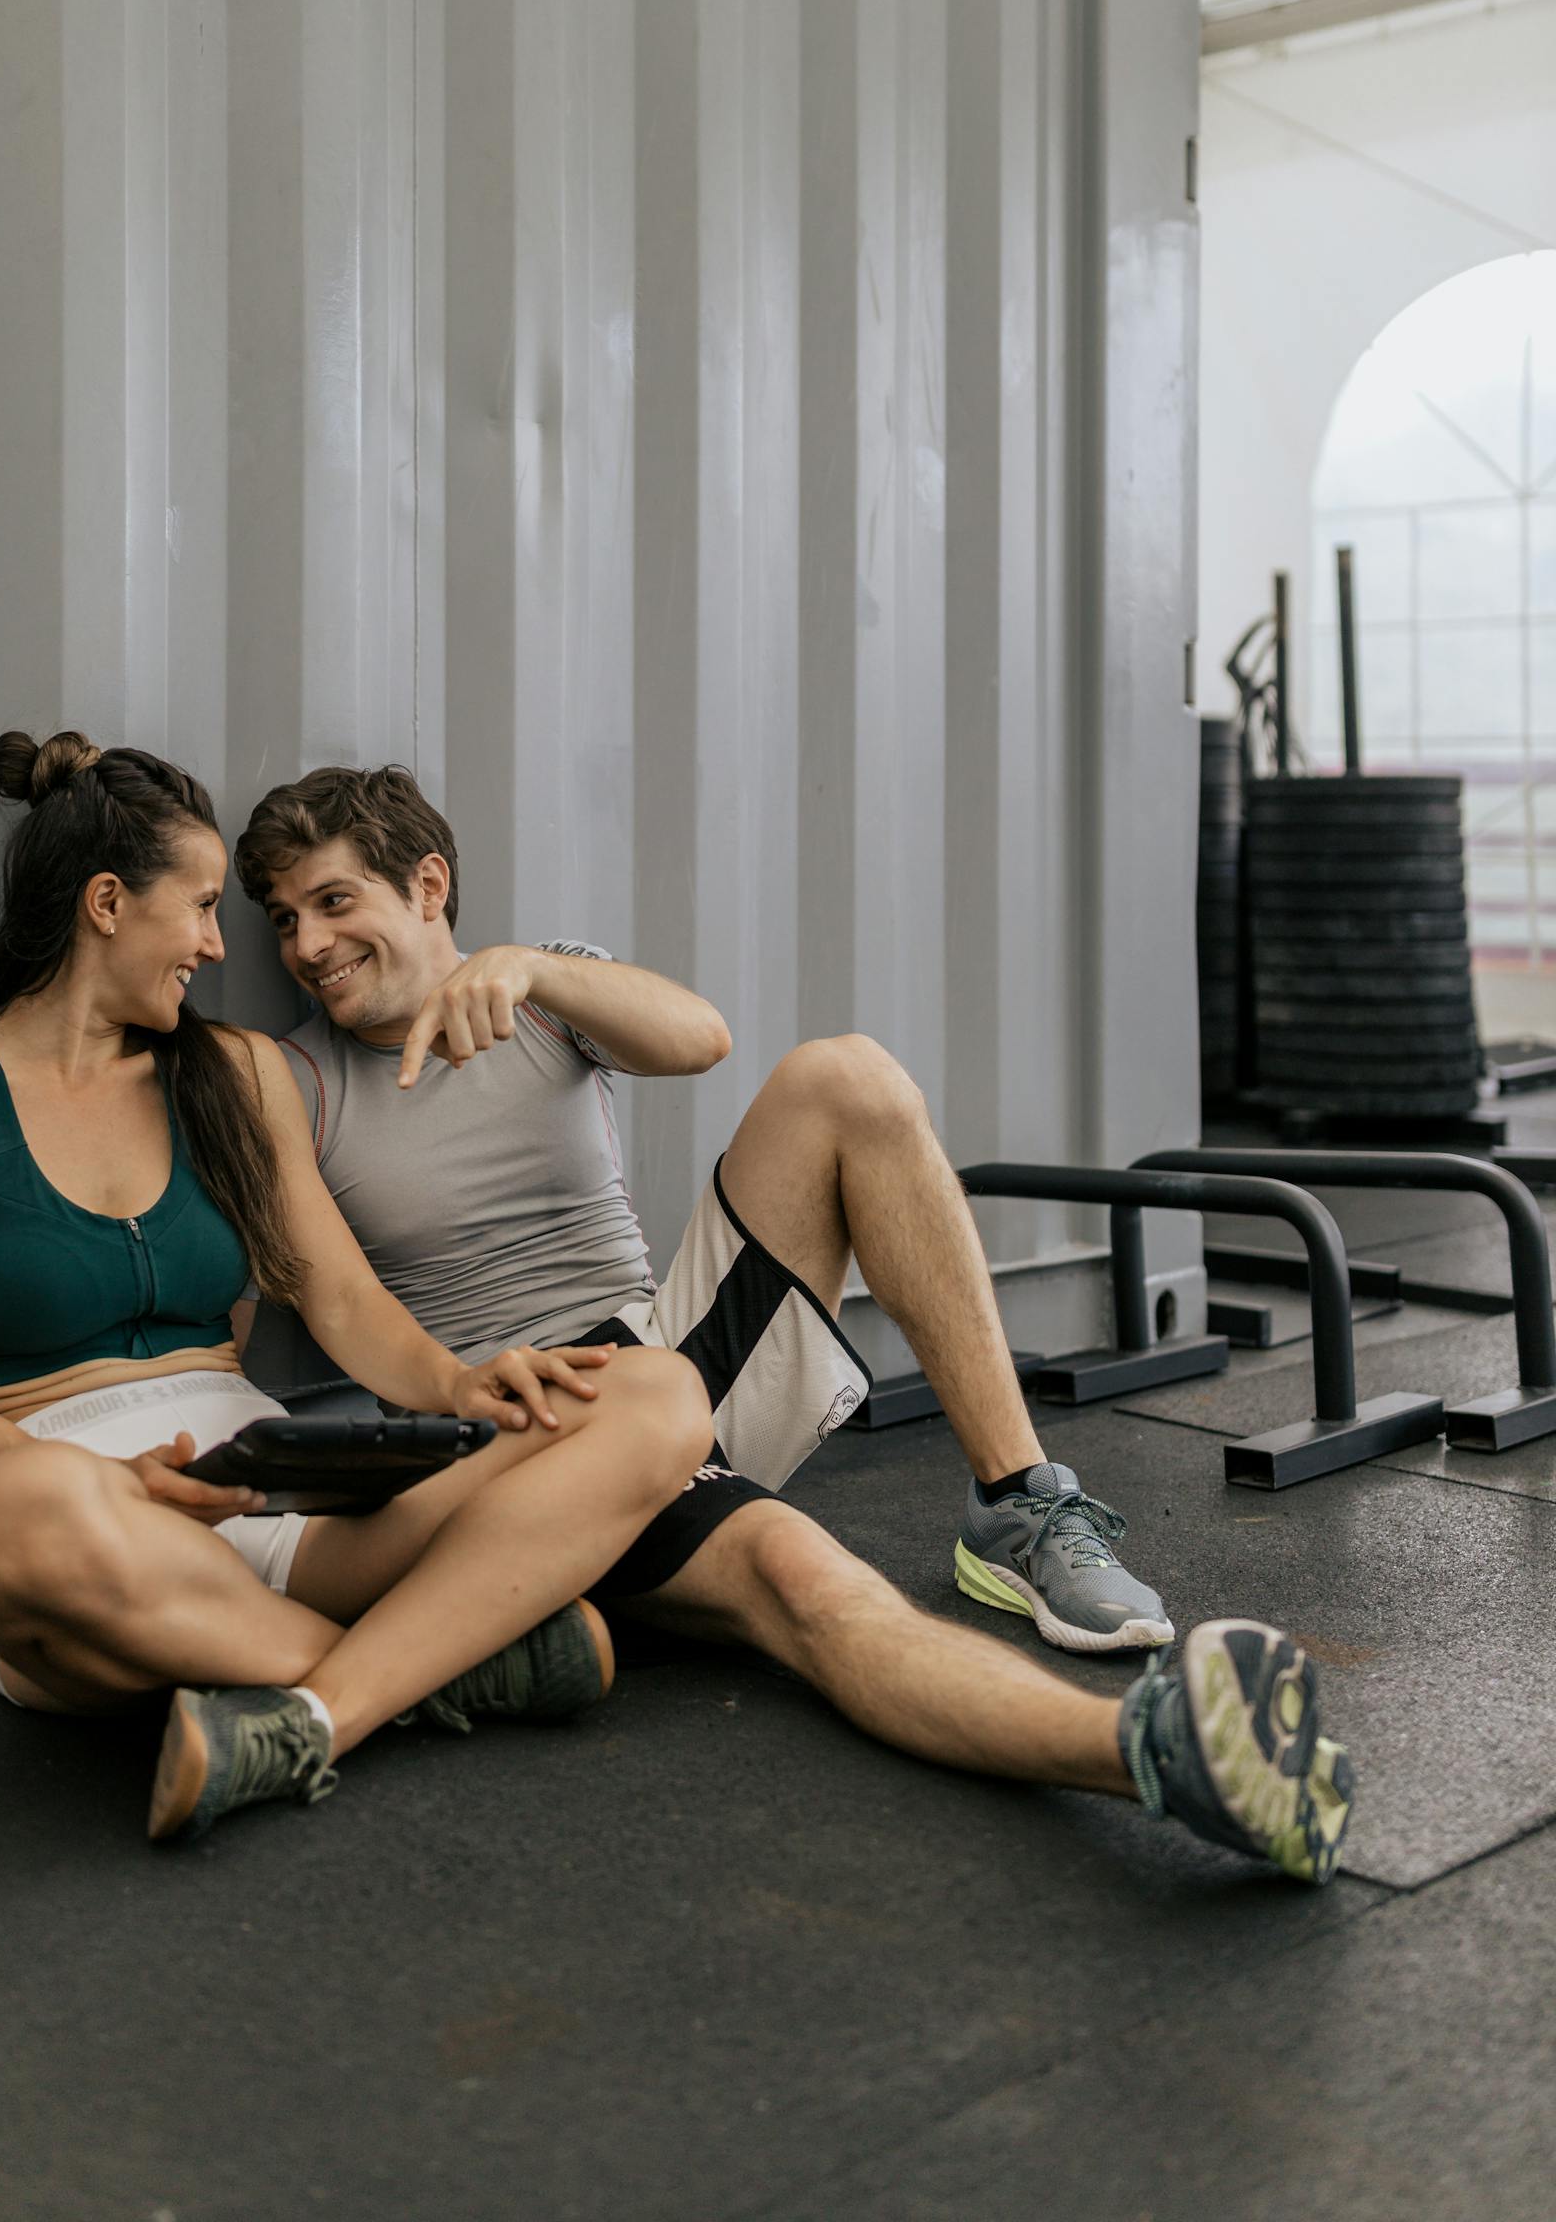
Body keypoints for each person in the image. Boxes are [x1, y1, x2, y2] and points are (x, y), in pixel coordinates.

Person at [232, 763, 1358, 1885]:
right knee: (804, 1583)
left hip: (664, 1359)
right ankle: (1159, 1751)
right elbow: (334, 1300)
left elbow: (699, 1037)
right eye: (284, 920)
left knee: (849, 1077)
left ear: (429, 885)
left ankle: (1019, 1507)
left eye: (334, 902)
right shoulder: (295, 1078)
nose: (307, 945)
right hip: (524, 1442)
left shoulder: (539, 995)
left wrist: (532, 969)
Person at [0, 731, 714, 1846]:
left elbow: (338, 1300)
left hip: (283, 1515)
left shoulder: (234, 1075)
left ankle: (317, 1715)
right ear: (106, 903)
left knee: (656, 1394)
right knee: (4, 1526)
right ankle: (444, 1664)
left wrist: (463, 1383)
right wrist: (116, 1484)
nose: (214, 943)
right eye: (200, 909)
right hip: (91, 1538)